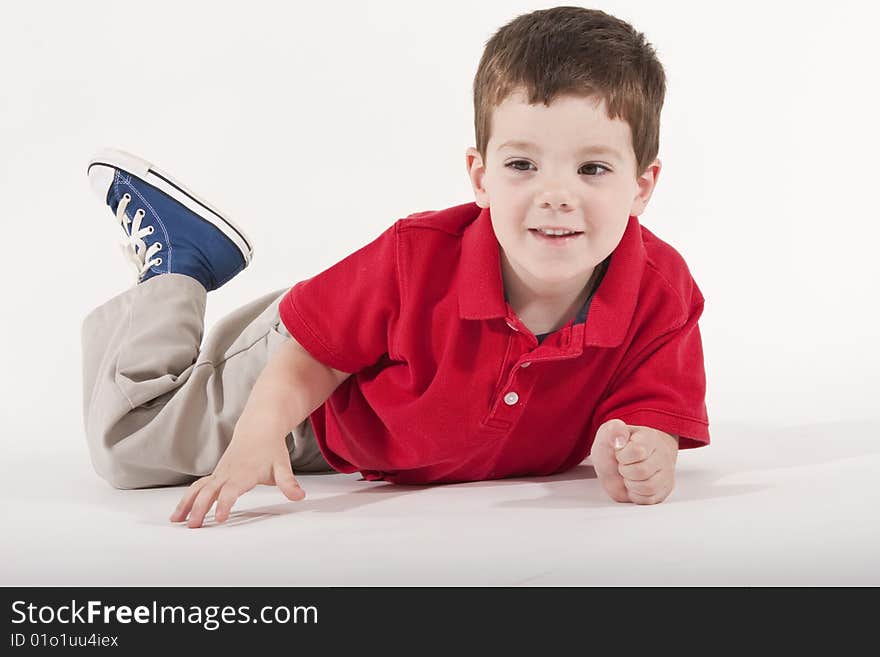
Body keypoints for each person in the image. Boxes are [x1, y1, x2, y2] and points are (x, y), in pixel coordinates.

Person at [81, 6, 709, 529]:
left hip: (368, 442)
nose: (556, 195)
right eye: (523, 165)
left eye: (592, 169)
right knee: (129, 446)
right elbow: (312, 358)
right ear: (480, 176)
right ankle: (180, 262)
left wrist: (647, 449)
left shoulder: (661, 291)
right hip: (311, 372)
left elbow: (654, 409)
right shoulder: (419, 257)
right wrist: (258, 433)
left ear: (643, 186)